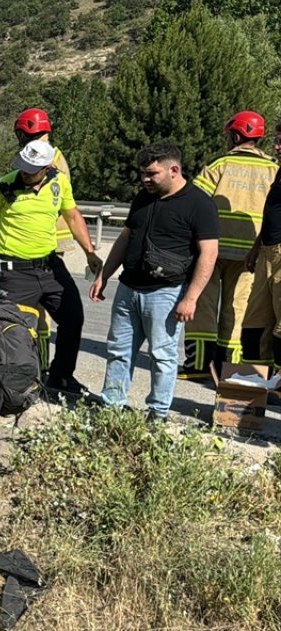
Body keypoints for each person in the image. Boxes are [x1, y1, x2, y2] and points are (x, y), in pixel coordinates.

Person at [90, 142, 219, 420]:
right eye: (143, 174)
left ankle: (157, 414)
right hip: (128, 289)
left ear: (174, 170)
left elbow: (209, 253)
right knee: (118, 352)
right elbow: (126, 237)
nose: (145, 180)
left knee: (162, 356)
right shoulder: (143, 197)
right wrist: (104, 275)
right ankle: (111, 408)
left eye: (152, 174)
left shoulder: (199, 204)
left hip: (166, 294)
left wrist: (191, 297)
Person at [0, 140, 102, 395]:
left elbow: (72, 215)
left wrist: (90, 253)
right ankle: (16, 382)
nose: (25, 172)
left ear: (47, 167)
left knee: (73, 317)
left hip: (50, 266)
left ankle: (61, 376)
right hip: (15, 272)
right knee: (15, 330)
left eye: (32, 168)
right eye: (23, 166)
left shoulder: (59, 182)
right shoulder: (6, 184)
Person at [184, 112, 279, 376]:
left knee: (203, 304)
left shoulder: (219, 165)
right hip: (253, 252)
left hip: (212, 249)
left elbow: (194, 203)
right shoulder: (273, 168)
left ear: (236, 136)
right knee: (237, 309)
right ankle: (229, 367)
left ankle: (199, 365)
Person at [14, 108, 73, 370]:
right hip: (52, 240)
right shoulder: (56, 156)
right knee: (42, 308)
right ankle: (41, 362)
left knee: (37, 309)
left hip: (41, 243)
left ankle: (38, 363)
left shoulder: (42, 158)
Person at [243, 142, 281, 371]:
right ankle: (252, 386)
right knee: (254, 323)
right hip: (267, 251)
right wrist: (256, 247)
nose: (276, 146)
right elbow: (271, 215)